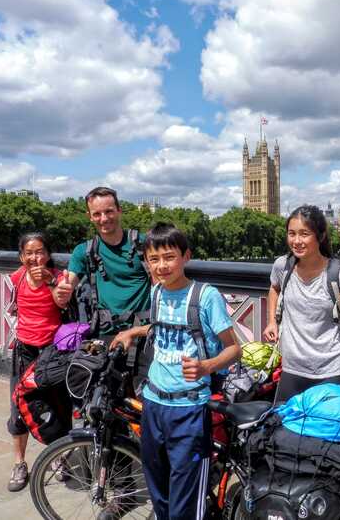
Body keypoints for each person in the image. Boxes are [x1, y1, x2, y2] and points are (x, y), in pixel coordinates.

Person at [113, 222, 240, 520]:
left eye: (169, 257)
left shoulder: (205, 296)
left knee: (186, 498)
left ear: (185, 256)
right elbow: (161, 328)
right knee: (158, 490)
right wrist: (136, 331)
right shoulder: (157, 292)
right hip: (154, 405)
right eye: (153, 259)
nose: (161, 266)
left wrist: (206, 366)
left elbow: (235, 349)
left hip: (189, 410)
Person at [263, 204, 340, 403]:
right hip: (292, 369)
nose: (296, 241)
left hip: (332, 370)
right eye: (291, 234)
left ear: (320, 236)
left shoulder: (338, 273)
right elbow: (274, 288)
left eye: (304, 234)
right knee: (281, 430)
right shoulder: (282, 266)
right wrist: (272, 321)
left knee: (326, 432)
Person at [7, 232, 68, 492]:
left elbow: (62, 302)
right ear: (22, 256)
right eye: (29, 253)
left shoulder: (60, 276)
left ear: (48, 253)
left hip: (52, 354)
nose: (35, 258)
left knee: (59, 407)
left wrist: (52, 281)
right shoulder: (16, 278)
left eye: (40, 251)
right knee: (19, 408)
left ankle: (59, 457)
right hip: (24, 351)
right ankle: (20, 463)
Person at [53, 186, 152, 344]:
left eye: (109, 211)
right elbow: (66, 288)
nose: (104, 219)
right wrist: (60, 293)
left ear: (119, 210)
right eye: (97, 214)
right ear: (90, 217)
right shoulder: (84, 251)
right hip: (105, 334)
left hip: (141, 333)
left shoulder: (143, 244)